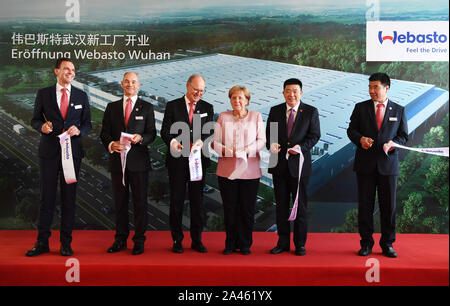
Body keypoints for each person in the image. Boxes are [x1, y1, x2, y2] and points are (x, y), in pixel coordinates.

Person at [26, 57, 92, 257]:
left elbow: (88, 124)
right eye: (66, 69)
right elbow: (35, 119)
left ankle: (66, 243)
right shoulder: (44, 94)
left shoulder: (81, 95)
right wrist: (42, 127)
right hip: (49, 153)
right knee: (46, 198)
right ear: (56, 71)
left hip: (72, 154)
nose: (70, 72)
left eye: (72, 70)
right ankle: (42, 243)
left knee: (69, 198)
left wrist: (79, 130)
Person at [347, 72, 408, 258]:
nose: (371, 91)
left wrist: (393, 144)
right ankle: (366, 243)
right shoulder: (360, 108)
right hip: (365, 165)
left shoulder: (399, 110)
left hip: (388, 166)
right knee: (365, 206)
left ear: (386, 88)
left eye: (376, 87)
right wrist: (360, 139)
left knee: (388, 207)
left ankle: (387, 244)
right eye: (370, 87)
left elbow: (403, 136)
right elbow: (351, 130)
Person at [100, 72, 156, 255]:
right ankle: (120, 240)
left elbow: (152, 134)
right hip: (118, 163)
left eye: (133, 82)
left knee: (140, 203)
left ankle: (139, 240)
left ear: (139, 85)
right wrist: (111, 144)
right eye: (127, 81)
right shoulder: (111, 107)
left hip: (139, 164)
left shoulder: (147, 107)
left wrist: (141, 138)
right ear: (122, 84)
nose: (130, 84)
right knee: (120, 203)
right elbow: (105, 132)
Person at [266, 78, 320, 256]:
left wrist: (301, 148)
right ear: (283, 93)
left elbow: (314, 136)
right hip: (278, 165)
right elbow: (270, 135)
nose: (291, 94)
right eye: (288, 91)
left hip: (299, 167)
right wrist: (271, 145)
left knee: (300, 206)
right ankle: (282, 242)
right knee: (281, 206)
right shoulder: (275, 111)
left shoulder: (311, 112)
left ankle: (300, 244)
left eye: (295, 91)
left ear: (301, 93)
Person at [160, 74, 214, 253]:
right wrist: (173, 142)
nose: (198, 93)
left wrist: (201, 142)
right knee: (176, 202)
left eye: (201, 91)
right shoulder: (172, 105)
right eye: (195, 90)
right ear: (187, 86)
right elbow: (165, 130)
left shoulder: (208, 107)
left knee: (197, 202)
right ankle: (177, 240)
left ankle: (197, 240)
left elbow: (210, 132)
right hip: (177, 162)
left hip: (198, 161)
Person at [212, 86, 266, 255]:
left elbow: (262, 141)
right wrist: (230, 152)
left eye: (241, 98)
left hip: (250, 171)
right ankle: (230, 244)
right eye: (234, 98)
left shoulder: (256, 116)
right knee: (230, 209)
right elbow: (215, 142)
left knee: (247, 209)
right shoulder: (223, 116)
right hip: (227, 171)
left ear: (247, 100)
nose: (237, 101)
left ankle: (245, 244)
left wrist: (247, 150)